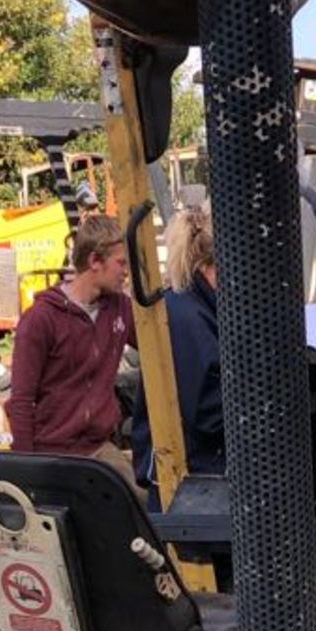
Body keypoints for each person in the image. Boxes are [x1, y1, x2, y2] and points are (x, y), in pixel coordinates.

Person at [5, 213, 135, 477]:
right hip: (52, 452)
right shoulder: (41, 319)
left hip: (97, 448)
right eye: (121, 263)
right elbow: (21, 401)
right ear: (95, 261)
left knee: (140, 504)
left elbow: (158, 344)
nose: (126, 272)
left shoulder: (120, 308)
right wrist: (27, 473)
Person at [131, 202, 223, 490]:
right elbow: (207, 412)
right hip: (191, 481)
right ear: (210, 265)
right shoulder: (186, 318)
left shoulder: (198, 309)